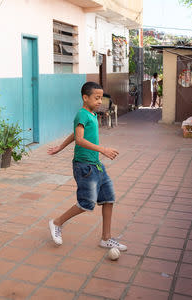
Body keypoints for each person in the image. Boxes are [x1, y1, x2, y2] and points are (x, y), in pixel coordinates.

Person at [47, 82, 127, 251]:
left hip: (96, 165)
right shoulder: (81, 114)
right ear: (85, 98)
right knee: (86, 203)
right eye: (96, 98)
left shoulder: (90, 114)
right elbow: (80, 140)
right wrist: (103, 150)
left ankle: (106, 238)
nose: (100, 101)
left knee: (108, 199)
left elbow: (75, 135)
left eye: (101, 98)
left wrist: (60, 147)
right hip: (84, 167)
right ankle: (56, 223)